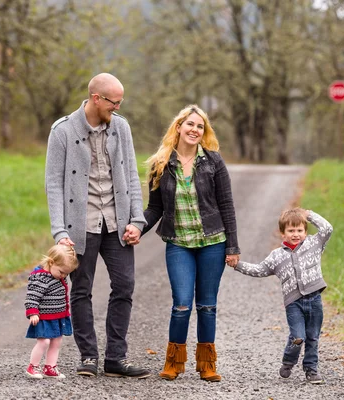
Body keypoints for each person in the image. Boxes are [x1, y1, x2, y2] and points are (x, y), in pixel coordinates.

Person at [44, 73, 149, 379]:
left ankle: (116, 358)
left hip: (117, 223)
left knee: (125, 286)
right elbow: (53, 184)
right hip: (81, 225)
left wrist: (137, 221)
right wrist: (60, 232)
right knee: (81, 289)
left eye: (120, 102)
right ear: (96, 98)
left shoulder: (121, 127)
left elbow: (131, 174)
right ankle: (88, 356)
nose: (117, 107)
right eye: (113, 102)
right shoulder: (62, 131)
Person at [139, 104, 240, 382]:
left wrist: (232, 247)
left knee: (207, 305)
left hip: (213, 242)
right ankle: (173, 362)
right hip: (179, 244)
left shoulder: (213, 161)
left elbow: (227, 205)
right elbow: (154, 209)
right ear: (179, 127)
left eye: (200, 126)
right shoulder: (161, 163)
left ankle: (207, 364)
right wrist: (137, 229)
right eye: (191, 125)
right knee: (181, 304)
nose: (195, 130)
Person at [230, 207, 333, 384]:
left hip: (314, 299)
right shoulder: (276, 256)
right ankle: (289, 360)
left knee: (313, 336)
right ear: (282, 233)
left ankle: (311, 369)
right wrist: (237, 265)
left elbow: (327, 229)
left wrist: (309, 215)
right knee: (298, 337)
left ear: (305, 231)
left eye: (299, 230)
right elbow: (259, 270)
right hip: (294, 303)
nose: (296, 234)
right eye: (291, 231)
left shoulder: (314, 244)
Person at [24, 244, 78, 379]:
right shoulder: (40, 278)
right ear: (51, 262)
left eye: (66, 273)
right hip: (44, 317)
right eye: (61, 272)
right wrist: (33, 312)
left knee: (56, 342)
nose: (63, 276)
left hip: (58, 316)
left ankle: (50, 367)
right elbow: (32, 296)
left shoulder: (58, 275)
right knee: (44, 342)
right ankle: (33, 367)